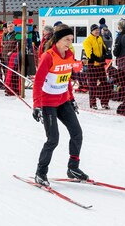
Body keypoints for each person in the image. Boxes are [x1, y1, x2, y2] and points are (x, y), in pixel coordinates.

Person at [32, 25, 88, 186]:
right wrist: (37, 105)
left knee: (77, 133)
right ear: (57, 40)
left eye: (71, 40)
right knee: (53, 139)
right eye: (66, 40)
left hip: (63, 101)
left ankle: (73, 168)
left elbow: (67, 78)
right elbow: (38, 82)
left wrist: (72, 99)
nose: (69, 43)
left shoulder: (69, 55)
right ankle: (40, 173)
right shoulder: (48, 56)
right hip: (48, 103)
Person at [82, 24, 110, 109]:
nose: (97, 31)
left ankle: (104, 103)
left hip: (100, 66)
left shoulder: (100, 38)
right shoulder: (87, 41)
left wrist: (105, 55)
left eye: (98, 30)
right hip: (92, 66)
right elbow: (89, 54)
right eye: (95, 30)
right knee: (93, 86)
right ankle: (93, 103)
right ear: (91, 31)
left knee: (105, 84)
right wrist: (98, 59)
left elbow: (104, 48)